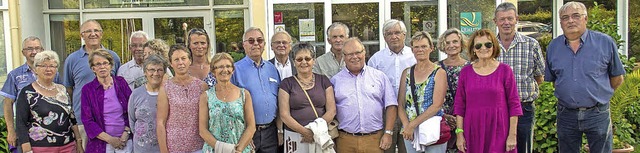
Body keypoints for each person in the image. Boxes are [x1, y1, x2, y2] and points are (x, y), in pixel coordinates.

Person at [545, 2, 625, 152]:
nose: (570, 21)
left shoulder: (605, 43)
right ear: (560, 22)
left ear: (585, 19)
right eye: (565, 17)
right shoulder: (553, 47)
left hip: (597, 113)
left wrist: (599, 95)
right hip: (566, 114)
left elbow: (617, 78)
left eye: (576, 16)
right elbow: (555, 81)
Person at [453, 29, 522, 153]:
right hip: (472, 131)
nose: (483, 48)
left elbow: (514, 104)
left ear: (494, 46)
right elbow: (459, 106)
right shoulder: (465, 72)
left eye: (488, 44)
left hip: (499, 130)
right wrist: (459, 134)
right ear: (473, 49)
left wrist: (512, 135)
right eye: (478, 45)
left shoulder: (505, 71)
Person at [493, 3, 546, 153]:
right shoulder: (489, 47)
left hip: (524, 108)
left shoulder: (531, 45)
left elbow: (539, 76)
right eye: (502, 19)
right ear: (495, 21)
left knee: (523, 148)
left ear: (517, 19)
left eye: (510, 18)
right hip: (497, 109)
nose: (506, 23)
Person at [331, 37, 398, 153]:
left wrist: (388, 133)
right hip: (345, 140)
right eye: (349, 54)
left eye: (358, 52)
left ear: (364, 52)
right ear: (343, 56)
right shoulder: (335, 81)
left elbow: (391, 105)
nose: (354, 57)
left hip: (374, 139)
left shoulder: (379, 77)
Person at [63, 20, 122, 149]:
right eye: (88, 31)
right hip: (83, 120)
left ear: (101, 34)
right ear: (81, 35)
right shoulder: (72, 60)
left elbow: (118, 87)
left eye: (96, 30)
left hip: (111, 119)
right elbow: (68, 89)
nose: (93, 34)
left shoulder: (113, 57)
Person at [15, 50, 83, 153]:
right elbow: (21, 123)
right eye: (43, 66)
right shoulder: (27, 92)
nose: (48, 69)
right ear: (35, 69)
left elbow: (72, 118)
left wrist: (78, 141)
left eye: (52, 66)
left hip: (68, 146)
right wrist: (26, 149)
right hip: (40, 147)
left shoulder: (62, 90)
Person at [2, 36, 59, 153]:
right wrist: (11, 130)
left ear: (42, 50)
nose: (34, 52)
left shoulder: (53, 73)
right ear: (23, 52)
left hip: (52, 132)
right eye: (29, 49)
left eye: (37, 48)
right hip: (26, 132)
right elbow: (8, 104)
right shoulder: (15, 75)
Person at [368, 19, 415, 153]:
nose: (393, 36)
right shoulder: (376, 59)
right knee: (385, 148)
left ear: (404, 35)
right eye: (389, 34)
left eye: (397, 33)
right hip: (385, 113)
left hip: (409, 112)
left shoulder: (414, 56)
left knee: (406, 149)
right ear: (384, 37)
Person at [279, 42, 336, 152]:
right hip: (295, 136)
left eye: (307, 58)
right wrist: (305, 132)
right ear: (294, 62)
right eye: (299, 59)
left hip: (320, 135)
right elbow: (284, 115)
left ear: (313, 61)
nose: (304, 62)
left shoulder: (324, 80)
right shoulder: (286, 84)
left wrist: (314, 131)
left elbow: (332, 110)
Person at [231, 27, 280, 153]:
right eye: (251, 41)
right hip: (247, 133)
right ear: (244, 45)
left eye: (260, 40)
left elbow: (279, 101)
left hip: (271, 132)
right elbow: (232, 106)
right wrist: (246, 134)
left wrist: (279, 130)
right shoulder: (235, 70)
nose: (256, 44)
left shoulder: (272, 69)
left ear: (264, 44)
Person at [397, 31, 448, 152]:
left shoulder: (439, 73)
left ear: (431, 48)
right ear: (412, 49)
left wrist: (412, 125)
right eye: (416, 47)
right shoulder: (406, 73)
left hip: (432, 128)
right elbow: (401, 104)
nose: (420, 50)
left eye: (424, 46)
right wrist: (406, 126)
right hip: (410, 131)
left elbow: (437, 105)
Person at [199, 53, 256, 153]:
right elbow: (203, 130)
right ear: (213, 71)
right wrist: (224, 149)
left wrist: (238, 150)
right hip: (214, 150)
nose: (225, 70)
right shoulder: (206, 96)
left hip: (240, 149)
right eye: (220, 67)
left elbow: (251, 127)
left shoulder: (244, 94)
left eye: (228, 66)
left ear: (233, 70)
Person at [157, 45, 207, 153]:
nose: (180, 63)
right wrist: (164, 151)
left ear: (189, 61)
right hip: (174, 147)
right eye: (176, 59)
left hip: (199, 146)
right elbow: (161, 122)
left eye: (183, 58)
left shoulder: (201, 86)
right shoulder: (166, 88)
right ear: (171, 63)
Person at [81, 49, 133, 153]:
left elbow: (132, 110)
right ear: (93, 68)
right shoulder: (88, 90)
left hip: (125, 140)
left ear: (111, 66)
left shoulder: (121, 83)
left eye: (105, 63)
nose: (102, 67)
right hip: (100, 144)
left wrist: (126, 133)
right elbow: (87, 120)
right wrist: (110, 140)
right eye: (98, 64)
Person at [435, 28, 469, 153]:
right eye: (447, 42)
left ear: (461, 43)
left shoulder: (471, 67)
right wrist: (444, 116)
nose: (451, 45)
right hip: (443, 119)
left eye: (455, 42)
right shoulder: (436, 67)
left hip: (466, 118)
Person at [128, 55, 167, 152]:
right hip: (141, 148)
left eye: (159, 70)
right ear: (145, 72)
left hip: (163, 148)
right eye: (151, 70)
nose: (155, 73)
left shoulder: (169, 94)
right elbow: (132, 121)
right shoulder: (136, 94)